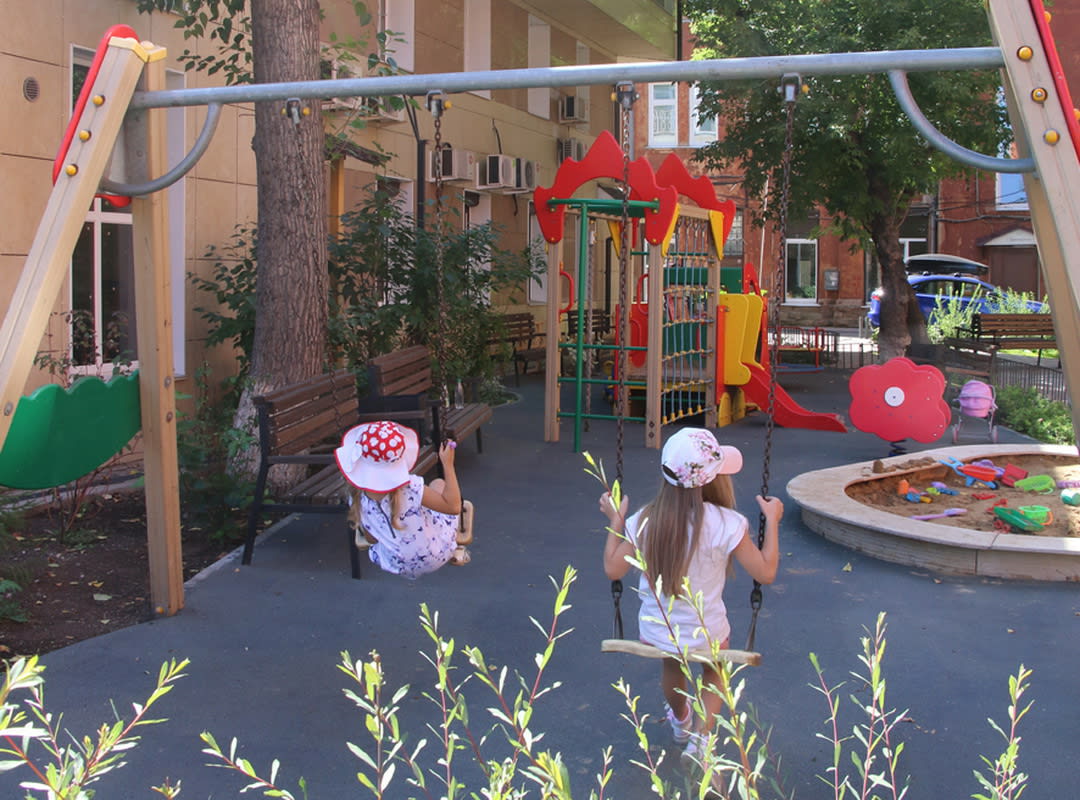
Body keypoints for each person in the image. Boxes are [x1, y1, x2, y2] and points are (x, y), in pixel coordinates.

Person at [598, 426, 782, 770]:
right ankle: (700, 738)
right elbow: (766, 573)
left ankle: (681, 722)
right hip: (707, 631)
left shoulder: (645, 520)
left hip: (659, 631)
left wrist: (617, 521)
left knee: (673, 662)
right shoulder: (728, 523)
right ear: (714, 479)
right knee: (714, 668)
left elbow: (613, 569)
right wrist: (771, 521)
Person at [336, 420, 473, 579]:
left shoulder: (356, 497)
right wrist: (448, 464)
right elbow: (453, 507)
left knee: (397, 522)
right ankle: (453, 548)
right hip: (435, 557)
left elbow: (371, 538)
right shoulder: (410, 487)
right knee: (438, 484)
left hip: (392, 563)